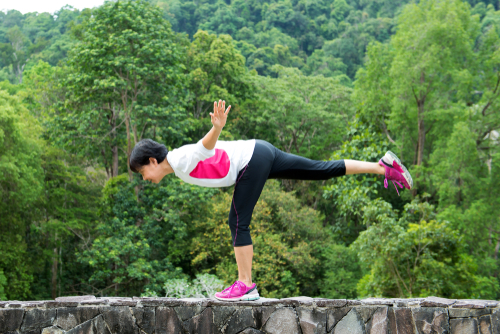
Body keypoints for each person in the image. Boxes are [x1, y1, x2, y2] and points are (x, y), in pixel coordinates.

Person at [129, 100, 413, 302]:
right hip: (259, 152)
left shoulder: (177, 160)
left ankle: (245, 285)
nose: (145, 178)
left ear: (152, 161)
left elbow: (204, 148)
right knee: (317, 170)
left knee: (237, 220)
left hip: (250, 161)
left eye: (143, 172)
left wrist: (216, 128)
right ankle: (382, 167)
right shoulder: (178, 166)